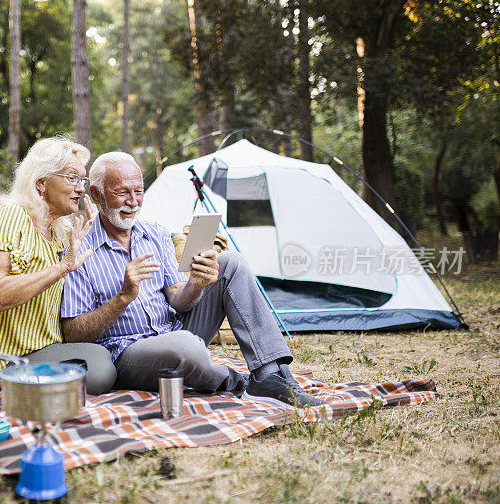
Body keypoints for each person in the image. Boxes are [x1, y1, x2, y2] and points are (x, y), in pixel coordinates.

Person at [59, 151, 324, 407]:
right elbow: (73, 334)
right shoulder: (80, 250)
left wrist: (196, 283)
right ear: (96, 194)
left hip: (174, 331)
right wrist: (123, 298)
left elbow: (179, 300)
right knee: (185, 347)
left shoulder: (155, 234)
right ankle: (236, 382)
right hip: (128, 353)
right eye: (121, 192)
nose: (133, 201)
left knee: (232, 263)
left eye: (138, 191)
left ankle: (269, 376)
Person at [0, 137, 116, 394]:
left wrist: (92, 239)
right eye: (72, 178)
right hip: (3, 361)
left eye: (83, 180)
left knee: (106, 354)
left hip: (44, 349)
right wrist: (61, 268)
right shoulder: (12, 217)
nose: (81, 188)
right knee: (101, 371)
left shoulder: (59, 230)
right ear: (41, 182)